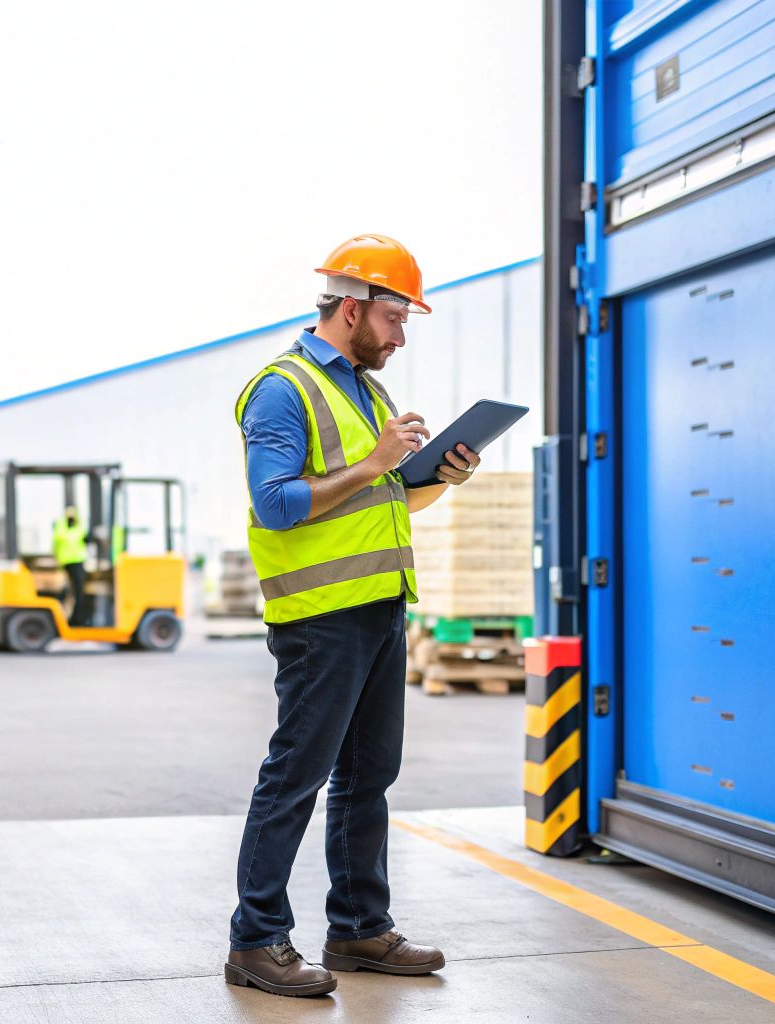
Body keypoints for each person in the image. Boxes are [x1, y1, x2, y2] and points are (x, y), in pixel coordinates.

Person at [223, 234, 480, 998]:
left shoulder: (369, 392)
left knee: (370, 776)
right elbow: (275, 505)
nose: (401, 337)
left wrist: (436, 477)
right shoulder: (282, 388)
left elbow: (381, 500)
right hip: (320, 617)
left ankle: (360, 929)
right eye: (395, 319)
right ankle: (255, 941)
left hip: (376, 608)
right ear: (351, 307)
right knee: (295, 777)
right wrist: (373, 463)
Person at [52, 505, 90, 626]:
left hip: (77, 563)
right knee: (67, 592)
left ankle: (77, 619)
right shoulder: (64, 529)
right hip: (67, 564)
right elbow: (56, 544)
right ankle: (67, 618)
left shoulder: (78, 528)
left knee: (78, 593)